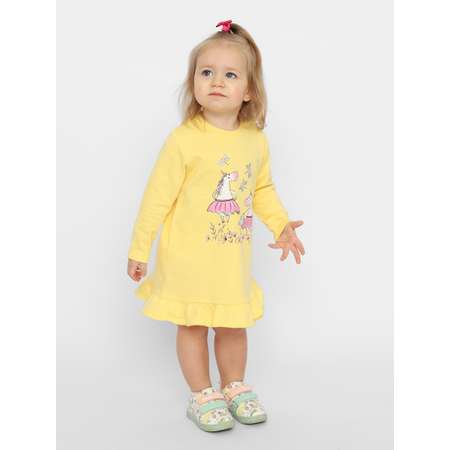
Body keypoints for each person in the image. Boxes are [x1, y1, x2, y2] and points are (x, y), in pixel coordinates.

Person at [127, 19, 305, 433]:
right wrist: (139, 249)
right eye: (206, 72)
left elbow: (261, 188)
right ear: (193, 83)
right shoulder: (184, 140)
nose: (217, 82)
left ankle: (234, 385)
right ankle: (202, 393)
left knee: (233, 324)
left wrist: (281, 225)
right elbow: (156, 199)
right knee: (192, 326)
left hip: (230, 262)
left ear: (249, 91)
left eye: (230, 75)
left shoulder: (254, 140)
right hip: (188, 260)